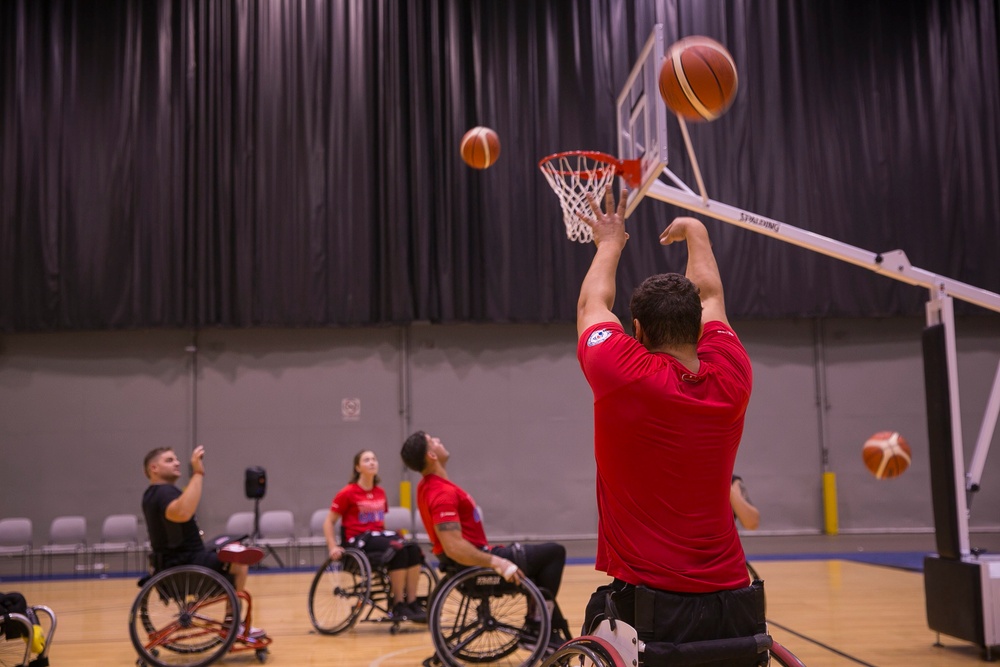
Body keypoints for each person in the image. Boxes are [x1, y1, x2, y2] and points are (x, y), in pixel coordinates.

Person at [575, 189, 764, 659]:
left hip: (650, 608)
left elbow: (591, 307)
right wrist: (698, 233)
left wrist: (609, 244)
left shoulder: (623, 373)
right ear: (700, 328)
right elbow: (713, 293)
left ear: (636, 330)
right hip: (735, 601)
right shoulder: (733, 373)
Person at [400, 431, 570, 642]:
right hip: (475, 565)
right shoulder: (441, 492)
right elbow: (453, 547)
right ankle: (536, 626)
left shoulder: (428, 486)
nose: (438, 440)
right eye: (432, 440)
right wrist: (497, 562)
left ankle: (542, 624)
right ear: (431, 455)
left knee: (539, 563)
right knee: (554, 553)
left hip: (474, 559)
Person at [142, 445, 267, 638]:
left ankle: (231, 622)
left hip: (175, 563)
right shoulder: (164, 492)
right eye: (169, 460)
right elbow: (183, 513)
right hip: (186, 565)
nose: (176, 463)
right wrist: (198, 472)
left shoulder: (152, 494)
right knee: (239, 558)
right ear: (153, 468)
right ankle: (232, 623)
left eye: (176, 459)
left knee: (228, 547)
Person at [322, 449, 428, 623]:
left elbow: (380, 523)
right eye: (366, 460)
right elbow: (328, 522)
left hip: (378, 536)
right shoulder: (347, 493)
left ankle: (412, 602)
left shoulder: (380, 492)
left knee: (413, 548)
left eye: (374, 459)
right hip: (358, 541)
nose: (372, 462)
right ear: (357, 467)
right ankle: (398, 602)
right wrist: (333, 546)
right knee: (398, 548)